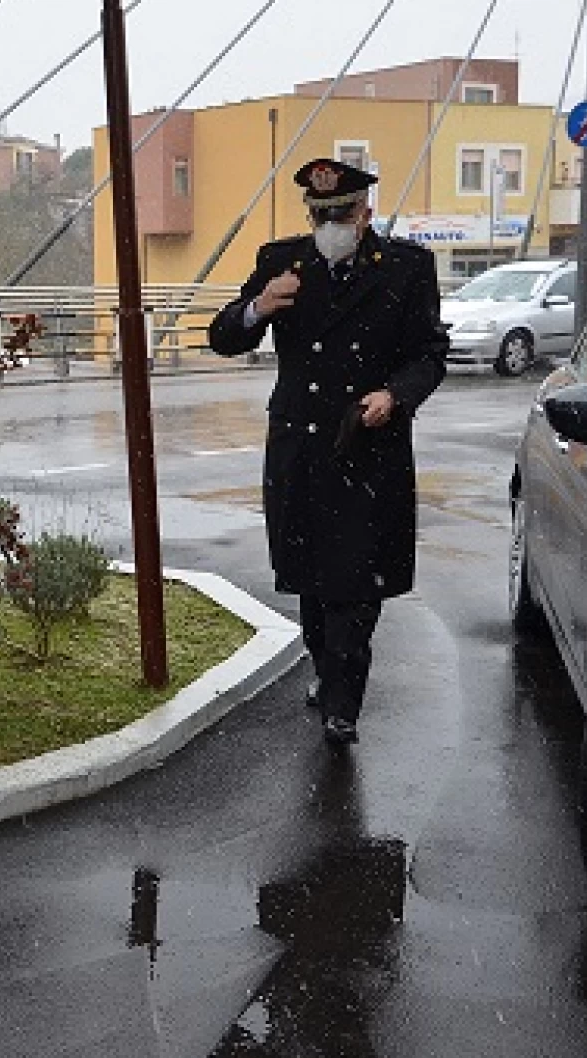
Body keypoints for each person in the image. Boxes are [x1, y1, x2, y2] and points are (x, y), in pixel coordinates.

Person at [207, 158, 448, 745]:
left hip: (369, 445)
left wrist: (395, 394)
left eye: (341, 214)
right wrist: (261, 306)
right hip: (302, 448)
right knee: (312, 581)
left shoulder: (407, 268)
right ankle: (326, 667)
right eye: (320, 215)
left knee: (355, 587)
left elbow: (430, 353)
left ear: (365, 212)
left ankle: (344, 705)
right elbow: (222, 337)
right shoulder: (280, 262)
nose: (330, 224)